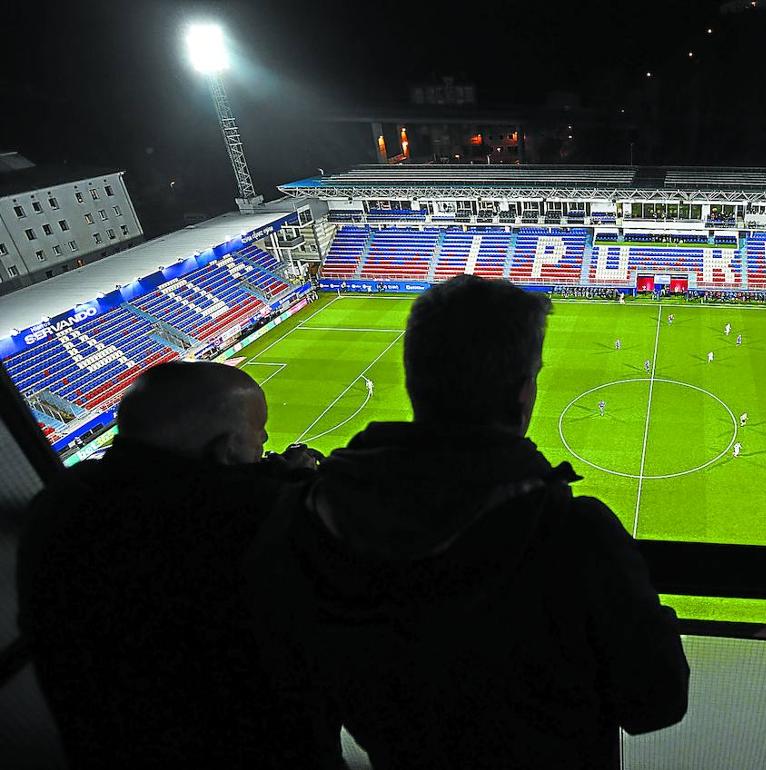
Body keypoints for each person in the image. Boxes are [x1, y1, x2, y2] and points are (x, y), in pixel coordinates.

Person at [250, 275, 689, 769]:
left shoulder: (307, 519)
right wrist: (656, 619)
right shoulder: (571, 533)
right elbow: (656, 702)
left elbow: (287, 685)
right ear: (524, 393)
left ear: (414, 378)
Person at [18, 362, 337, 769]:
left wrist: (264, 473)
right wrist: (293, 483)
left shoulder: (58, 503)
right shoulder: (253, 518)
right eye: (260, 432)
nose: (266, 441)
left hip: (99, 743)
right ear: (223, 449)